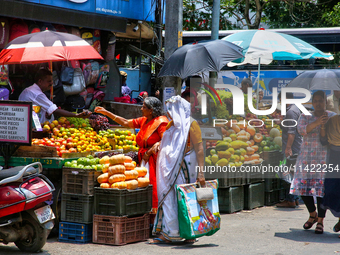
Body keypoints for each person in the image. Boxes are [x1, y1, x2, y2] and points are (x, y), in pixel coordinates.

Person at [94, 97, 168, 212]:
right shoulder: (144, 120)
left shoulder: (161, 122)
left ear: (151, 110)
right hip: (144, 159)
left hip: (156, 162)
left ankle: (155, 216)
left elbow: (166, 141)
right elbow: (125, 122)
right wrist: (105, 112)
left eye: (144, 106)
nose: (141, 108)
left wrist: (154, 147)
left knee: (154, 188)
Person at [150, 95, 205, 244]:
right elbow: (167, 141)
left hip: (186, 166)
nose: (168, 113)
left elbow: (199, 149)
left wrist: (201, 173)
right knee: (169, 198)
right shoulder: (171, 125)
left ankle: (188, 233)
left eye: (171, 110)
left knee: (184, 198)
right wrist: (158, 145)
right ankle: (170, 232)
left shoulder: (192, 125)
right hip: (168, 169)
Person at [290, 90, 336, 234]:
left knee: (321, 190)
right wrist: (317, 122)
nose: (318, 103)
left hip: (324, 158)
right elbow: (302, 131)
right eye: (315, 101)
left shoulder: (332, 116)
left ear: (325, 102)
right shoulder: (305, 116)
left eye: (320, 100)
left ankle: (320, 221)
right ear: (312, 102)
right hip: (306, 158)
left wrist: (325, 124)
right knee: (303, 188)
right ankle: (312, 214)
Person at [19, 69, 91, 124]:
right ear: (40, 81)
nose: (52, 83)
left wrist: (46, 112)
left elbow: (35, 108)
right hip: (31, 126)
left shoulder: (30, 90)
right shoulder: (37, 94)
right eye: (49, 81)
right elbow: (55, 110)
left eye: (52, 80)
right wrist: (76, 115)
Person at [276, 92, 302, 208]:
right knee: (294, 173)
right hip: (297, 146)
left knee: (287, 173)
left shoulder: (291, 112)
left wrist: (288, 148)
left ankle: (290, 200)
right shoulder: (295, 108)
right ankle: (295, 199)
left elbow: (291, 132)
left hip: (293, 147)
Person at [320, 102, 340, 238]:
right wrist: (322, 126)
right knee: (331, 189)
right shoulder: (333, 121)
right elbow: (323, 141)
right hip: (334, 157)